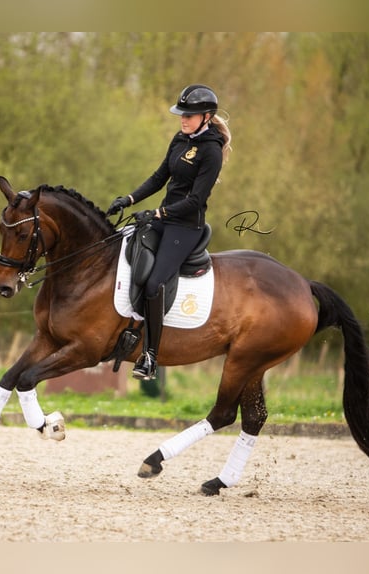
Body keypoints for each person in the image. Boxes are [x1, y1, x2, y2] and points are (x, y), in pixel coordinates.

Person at [106, 84, 232, 381]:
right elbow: (159, 177)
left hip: (186, 226)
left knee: (153, 283)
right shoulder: (180, 139)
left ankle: (150, 355)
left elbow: (196, 201)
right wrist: (130, 199)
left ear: (207, 116)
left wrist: (158, 213)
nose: (183, 120)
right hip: (163, 219)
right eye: (182, 115)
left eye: (190, 116)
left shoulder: (211, 150)